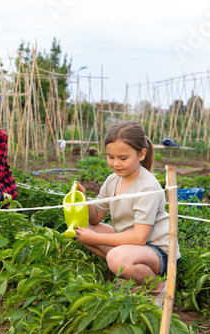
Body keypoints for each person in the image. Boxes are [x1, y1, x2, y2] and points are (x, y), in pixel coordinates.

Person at [73, 120, 181, 307]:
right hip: (131, 246)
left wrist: (94, 238)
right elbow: (96, 217)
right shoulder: (113, 180)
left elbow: (139, 238)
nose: (116, 163)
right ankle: (132, 276)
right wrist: (83, 199)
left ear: (142, 154)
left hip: (158, 252)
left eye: (123, 158)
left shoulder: (146, 186)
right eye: (110, 157)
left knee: (116, 257)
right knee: (82, 228)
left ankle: (159, 288)